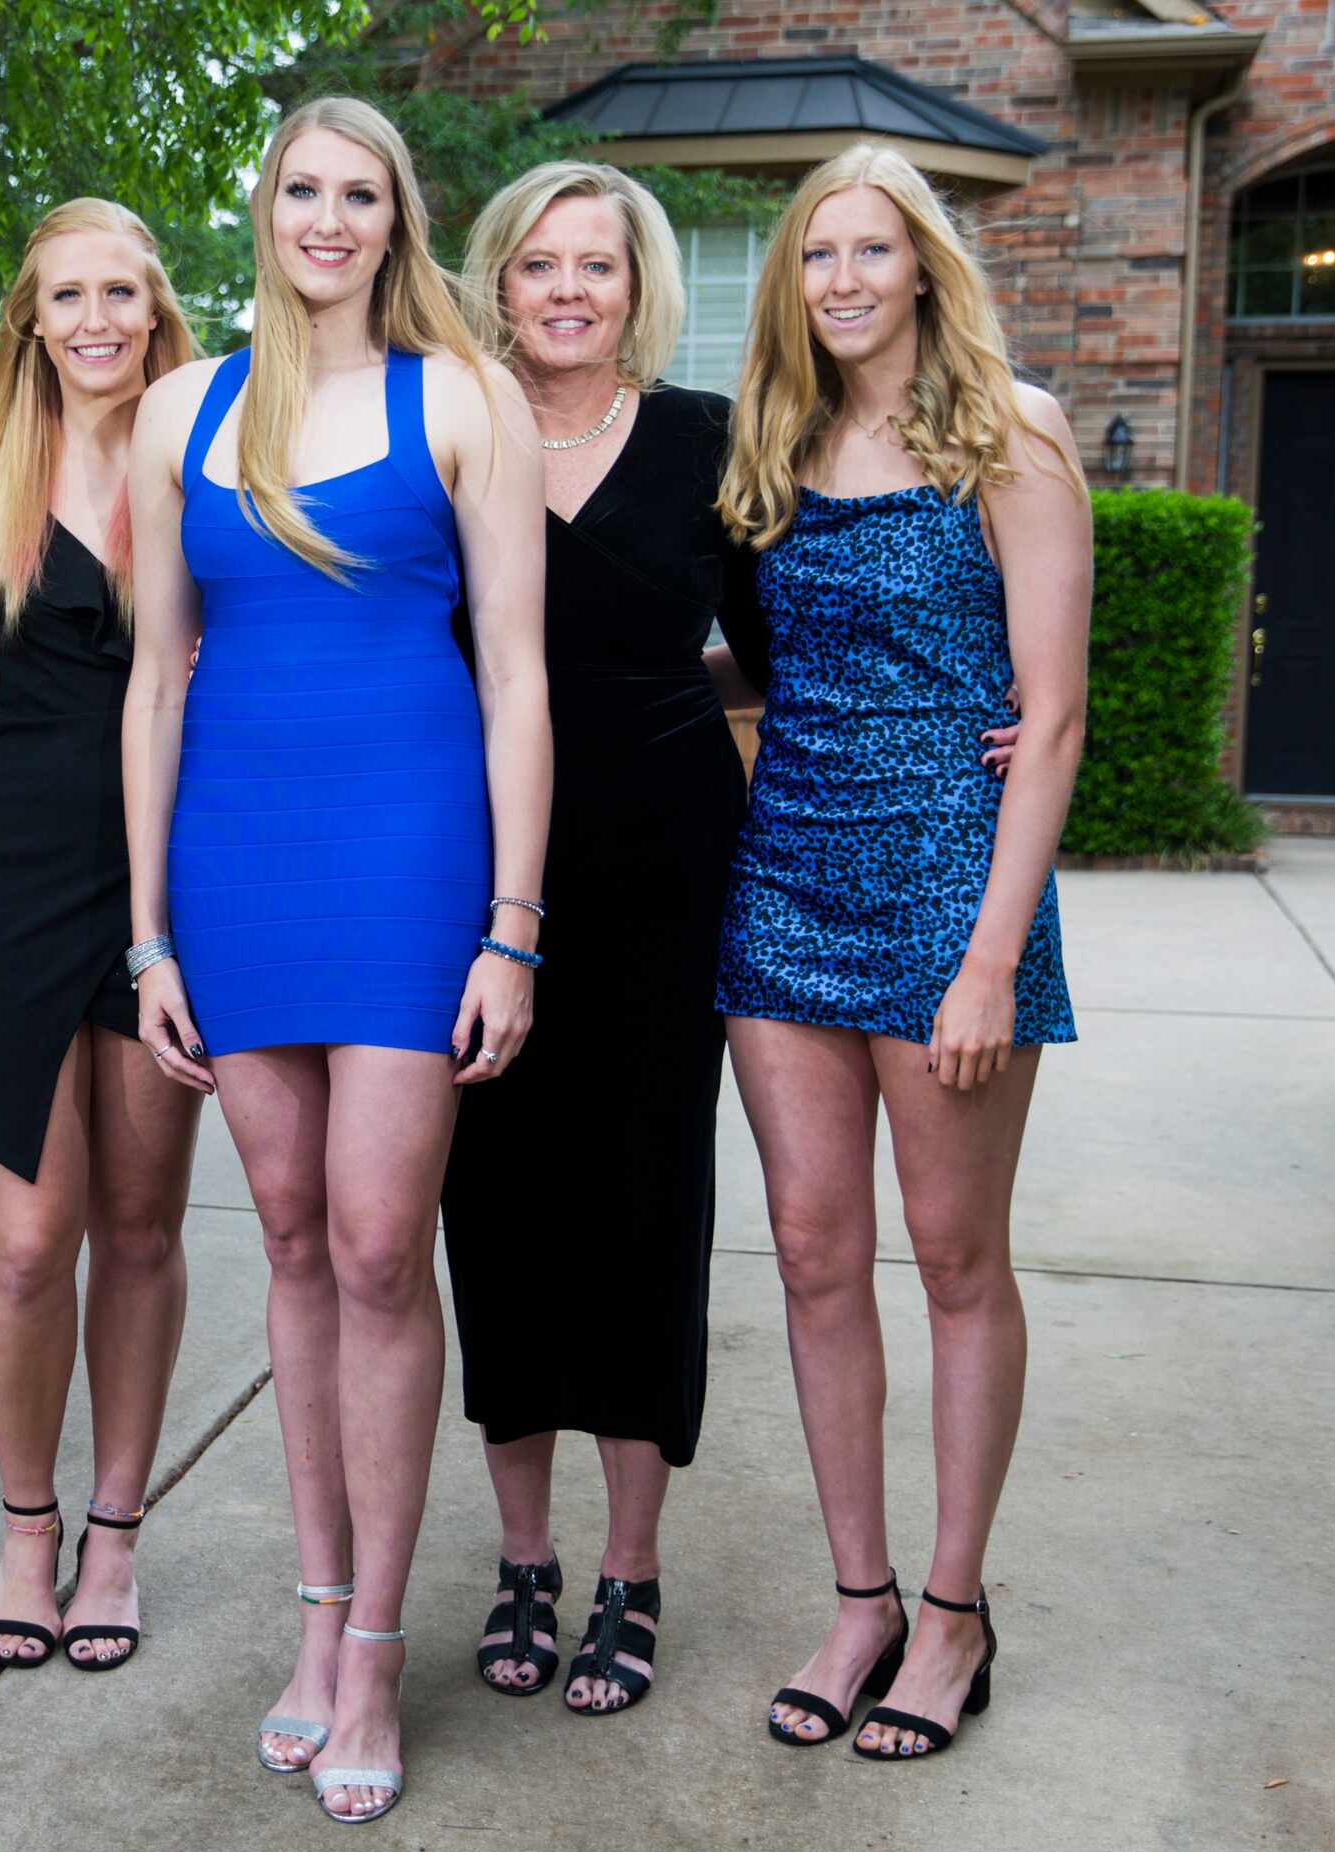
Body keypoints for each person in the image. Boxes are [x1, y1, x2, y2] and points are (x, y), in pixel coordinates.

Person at [122, 96, 549, 1824]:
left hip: (407, 851)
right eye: (301, 186)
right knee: (291, 1234)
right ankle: (316, 1611)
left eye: (358, 193)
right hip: (231, 861)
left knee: (381, 1241)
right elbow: (158, 681)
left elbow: (517, 677)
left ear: (397, 223)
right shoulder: (176, 410)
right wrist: (146, 927)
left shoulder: (464, 398)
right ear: (264, 207)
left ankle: (379, 1641)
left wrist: (512, 925)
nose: (326, 216)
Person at [713, 143, 1090, 1762]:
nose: (844, 279)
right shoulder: (780, 441)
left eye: (872, 251)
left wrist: (993, 954)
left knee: (950, 1259)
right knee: (810, 1254)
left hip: (952, 886)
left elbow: (1055, 710)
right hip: (786, 873)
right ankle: (856, 1595)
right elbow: (748, 661)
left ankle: (952, 1610)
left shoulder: (1013, 432)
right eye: (817, 256)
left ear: (925, 265)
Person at [437, 160, 769, 1719]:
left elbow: (776, 667)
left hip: (665, 869)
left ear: (638, 289)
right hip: (473, 872)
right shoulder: (446, 429)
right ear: (497, 281)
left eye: (600, 267)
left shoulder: (711, 441)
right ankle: (523, 1554)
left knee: (646, 1207)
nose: (569, 290)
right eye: (540, 266)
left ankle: (630, 1567)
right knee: (495, 1205)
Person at [0, 200, 205, 1671]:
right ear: (30, 320)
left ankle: (115, 1533)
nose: (93, 319)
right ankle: (25, 1527)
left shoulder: (217, 444)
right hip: (15, 870)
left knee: (144, 1223)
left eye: (118, 292)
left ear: (157, 306)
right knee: (31, 1239)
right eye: (64, 297)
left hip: (179, 874)